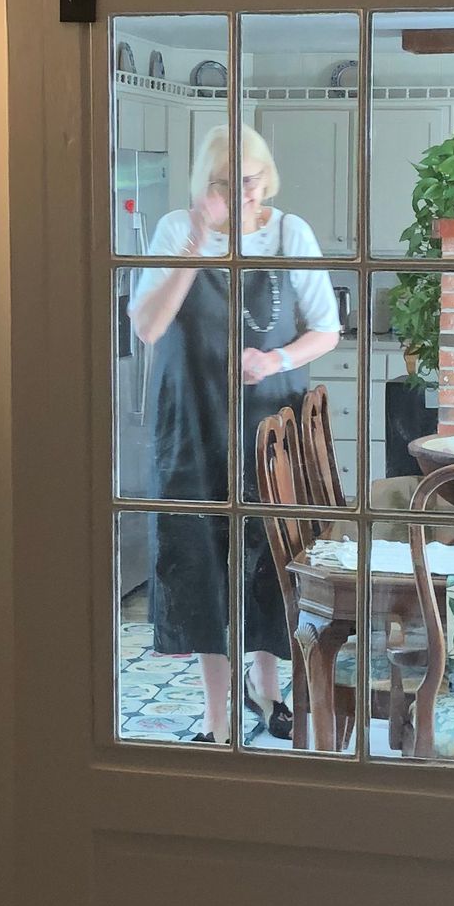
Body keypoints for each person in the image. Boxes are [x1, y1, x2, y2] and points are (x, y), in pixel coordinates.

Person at [130, 125, 341, 744]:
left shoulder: (291, 233)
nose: (241, 192)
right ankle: (217, 719)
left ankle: (267, 687)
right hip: (191, 420)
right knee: (200, 561)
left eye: (250, 180)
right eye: (226, 182)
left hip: (268, 421)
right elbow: (147, 327)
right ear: (207, 184)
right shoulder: (177, 230)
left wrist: (275, 360)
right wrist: (197, 243)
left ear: (266, 178)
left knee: (271, 557)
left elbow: (326, 330)